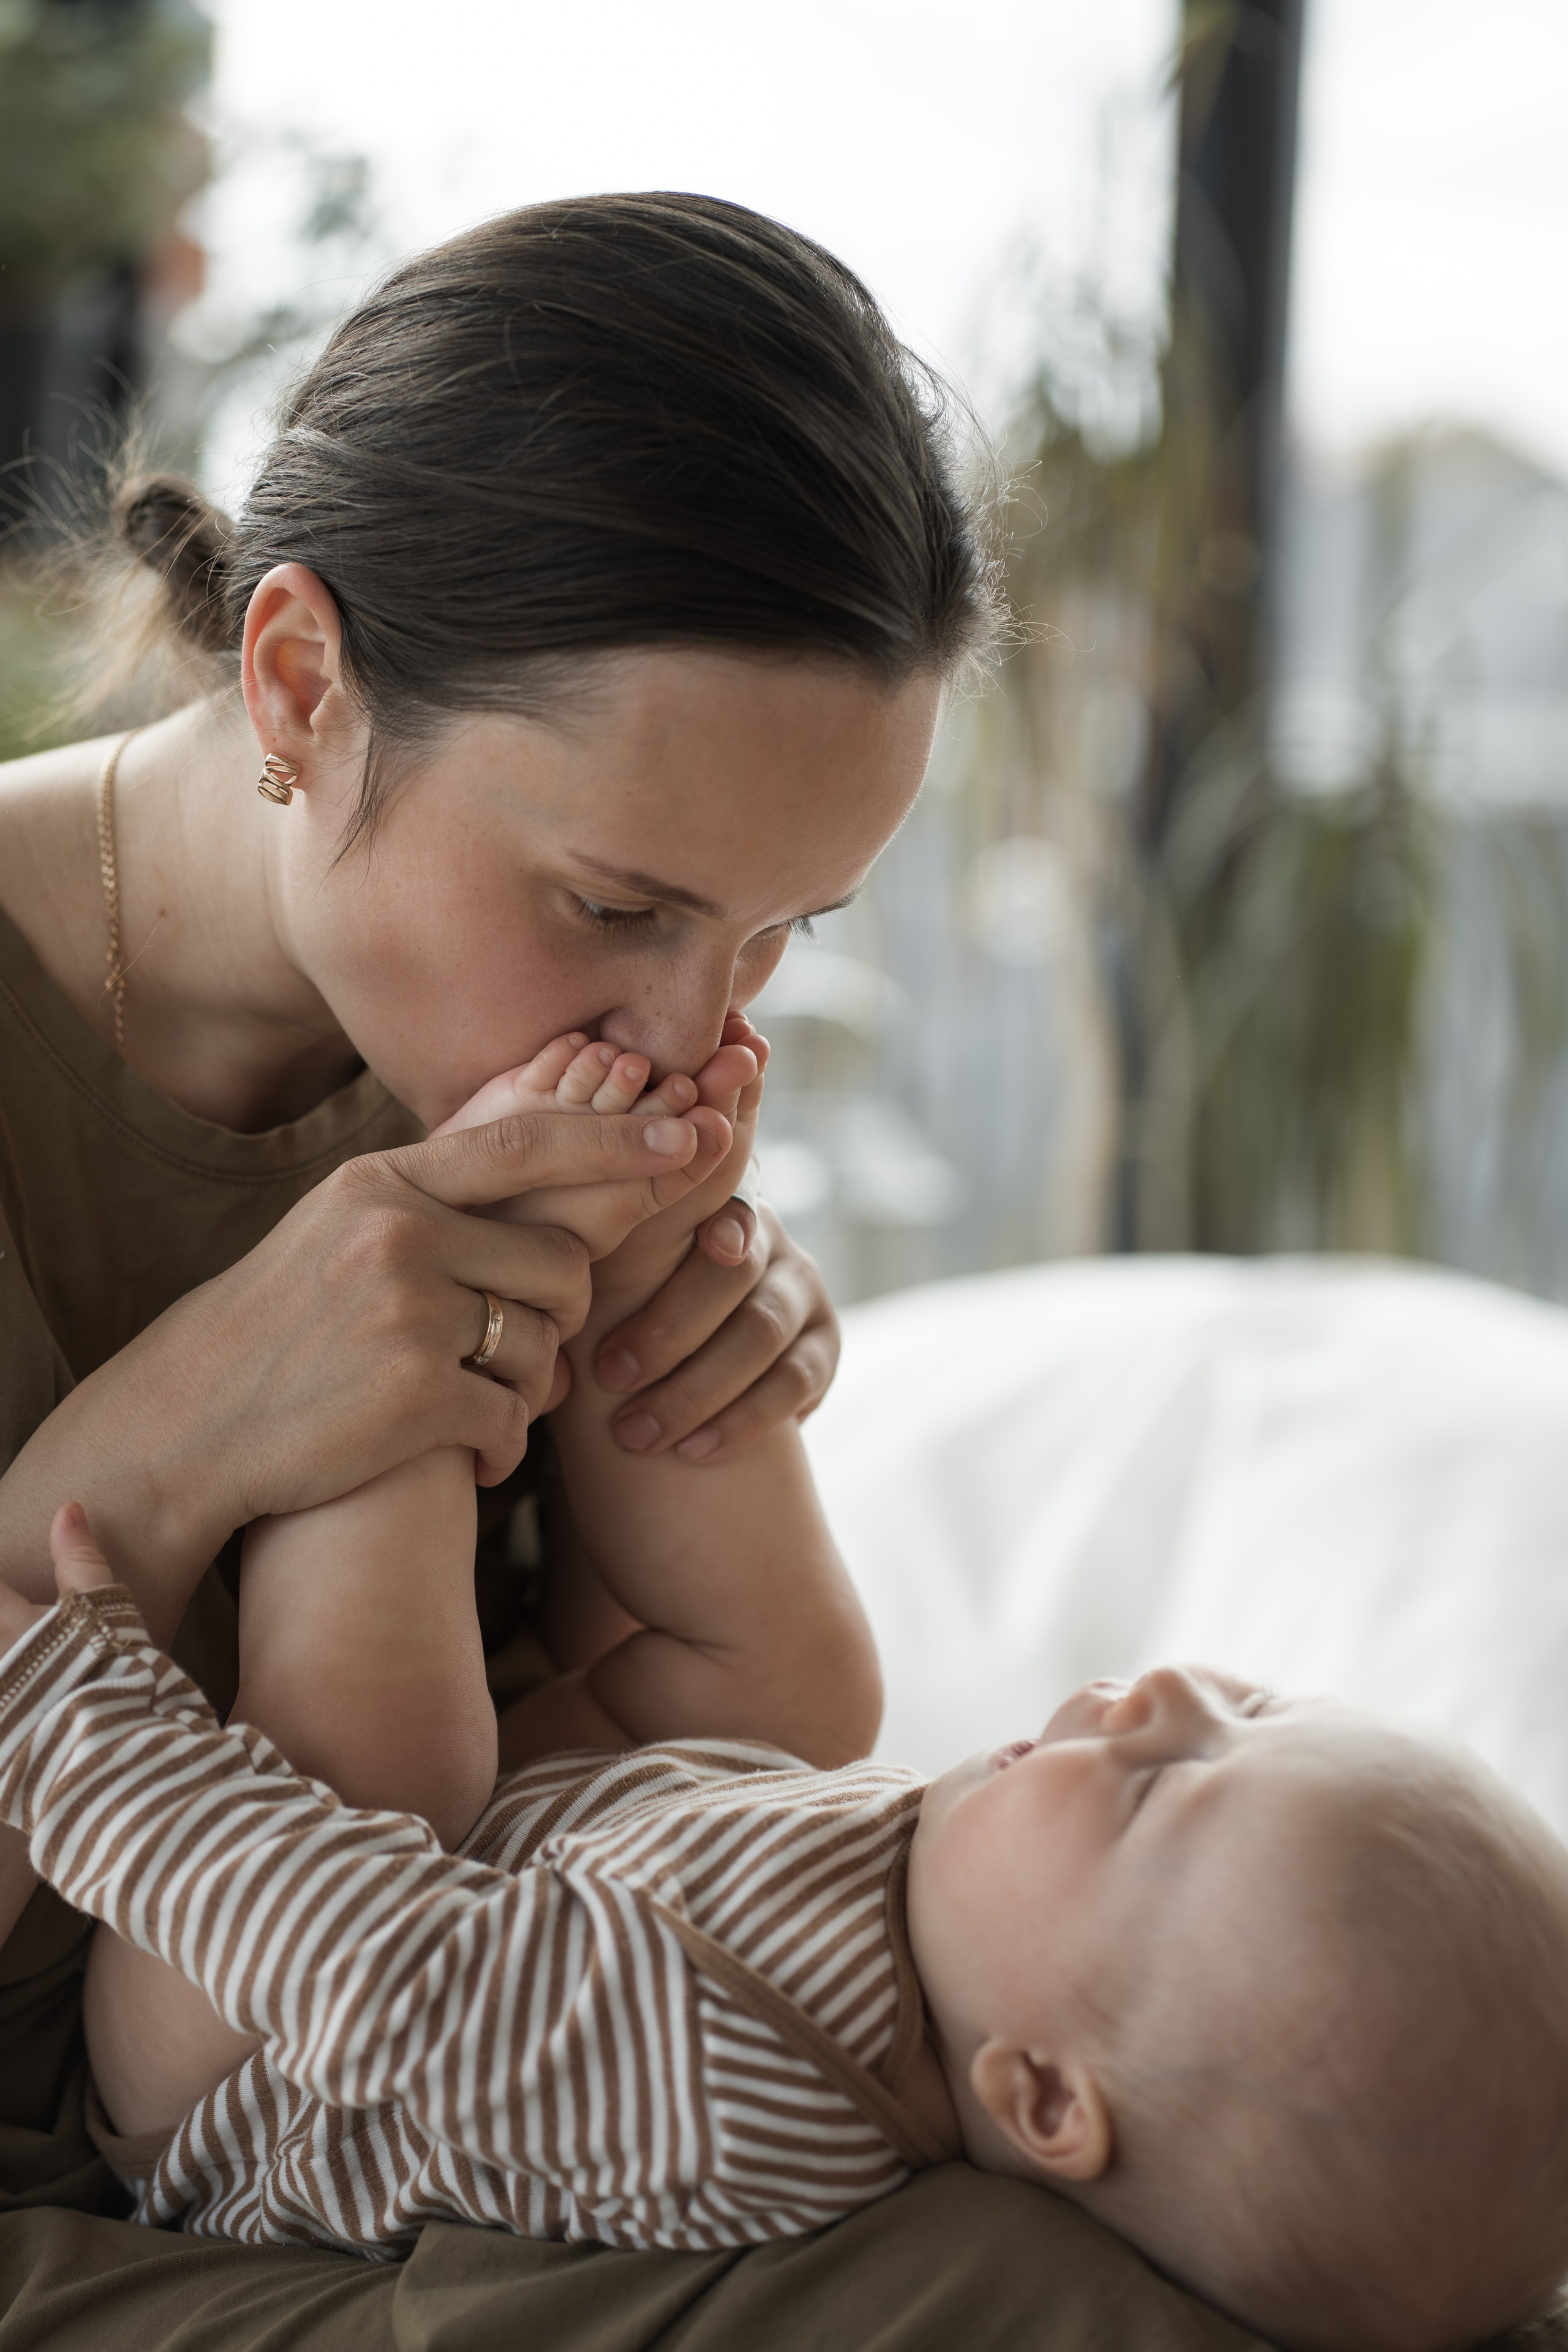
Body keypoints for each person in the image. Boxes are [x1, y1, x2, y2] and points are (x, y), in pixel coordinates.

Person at [0, 189, 990, 2266]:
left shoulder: (505, 1071)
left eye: (783, 932)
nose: (692, 1034)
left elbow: (696, 1736)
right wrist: (174, 1443)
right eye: (618, 905)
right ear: (299, 683)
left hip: (425, 2155)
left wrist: (693, 1399)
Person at [4, 1462, 1568, 2352]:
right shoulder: (943, 1904)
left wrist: (69, 1729)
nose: (1162, 1689)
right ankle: (665, 1293)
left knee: (388, 1735)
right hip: (537, 1859)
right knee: (810, 1676)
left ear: (1038, 2096)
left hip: (237, 2073)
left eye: (1163, 1790)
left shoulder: (744, 2087)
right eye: (1254, 1704)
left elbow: (376, 1964)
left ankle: (396, 1338)